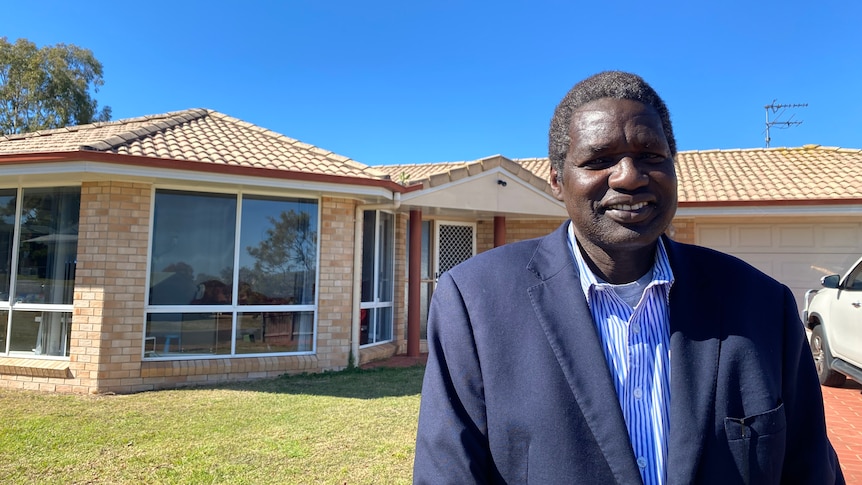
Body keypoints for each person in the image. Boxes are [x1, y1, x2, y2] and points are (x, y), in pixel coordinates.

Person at [413, 71, 843, 484]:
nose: (629, 177)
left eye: (650, 157)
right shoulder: (474, 304)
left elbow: (808, 468)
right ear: (558, 181)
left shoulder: (762, 305)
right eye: (599, 160)